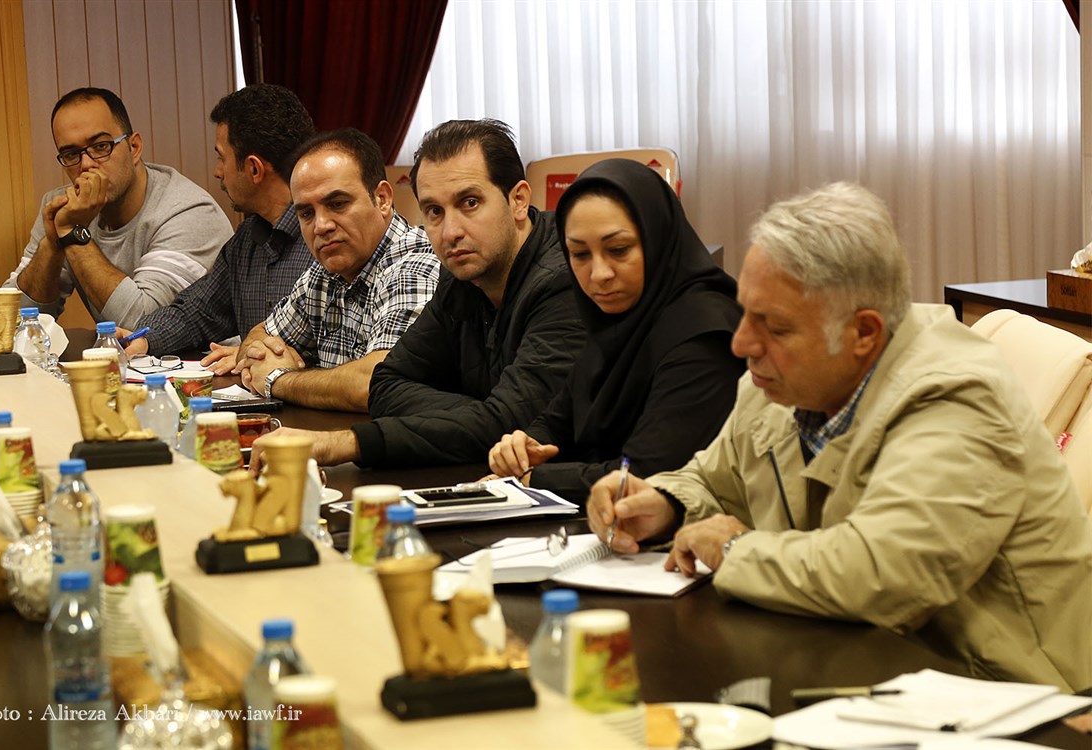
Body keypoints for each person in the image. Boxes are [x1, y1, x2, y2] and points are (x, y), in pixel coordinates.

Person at [586, 182, 1092, 691]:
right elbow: (717, 479)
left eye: (775, 327)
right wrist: (665, 503)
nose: (741, 344)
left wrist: (737, 549)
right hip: (856, 668)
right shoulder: (783, 381)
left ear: (864, 332)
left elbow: (878, 575)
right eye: (747, 313)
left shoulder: (955, 399)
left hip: (1018, 697)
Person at [251, 119, 584, 468]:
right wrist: (483, 414)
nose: (450, 232)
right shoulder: (459, 275)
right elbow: (386, 384)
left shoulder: (566, 278)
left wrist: (348, 443)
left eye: (470, 202)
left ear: (518, 200)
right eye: (434, 211)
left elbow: (513, 424)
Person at [487, 160, 744, 502]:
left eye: (619, 250)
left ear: (657, 237)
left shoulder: (704, 334)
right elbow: (557, 420)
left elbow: (647, 473)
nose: (599, 274)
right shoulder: (617, 320)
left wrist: (533, 478)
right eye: (580, 254)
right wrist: (523, 447)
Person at [234, 128, 439, 412]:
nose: (321, 226)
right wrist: (261, 356)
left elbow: (379, 383)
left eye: (337, 204)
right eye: (306, 213)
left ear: (382, 198)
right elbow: (259, 335)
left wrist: (278, 378)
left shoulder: (414, 264)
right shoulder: (323, 275)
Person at [120, 84, 315, 374]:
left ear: (254, 169)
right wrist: (145, 339)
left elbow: (342, 350)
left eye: (222, 157)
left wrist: (253, 354)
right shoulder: (247, 241)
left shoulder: (325, 240)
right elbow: (198, 312)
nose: (217, 171)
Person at [6, 88, 232, 329]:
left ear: (134, 148)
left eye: (101, 146)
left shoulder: (189, 211)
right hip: (121, 353)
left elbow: (146, 326)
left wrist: (73, 233)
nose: (86, 165)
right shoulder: (63, 208)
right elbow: (14, 319)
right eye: (71, 154)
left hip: (209, 353)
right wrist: (52, 245)